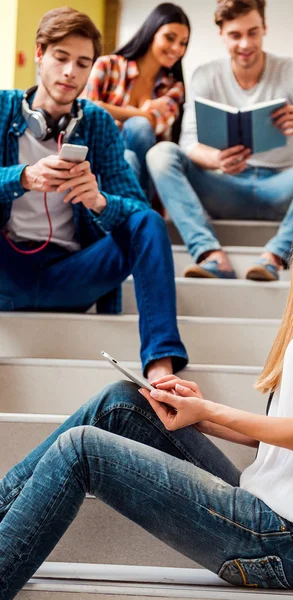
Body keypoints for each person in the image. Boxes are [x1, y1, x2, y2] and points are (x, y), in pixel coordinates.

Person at [1, 139, 293, 597]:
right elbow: (285, 435)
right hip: (265, 506)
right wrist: (200, 414)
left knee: (82, 449)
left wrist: (211, 409)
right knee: (123, 401)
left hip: (287, 539)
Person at [0, 7, 188, 381]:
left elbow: (135, 207)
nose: (71, 72)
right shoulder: (3, 108)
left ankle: (161, 367)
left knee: (148, 221)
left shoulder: (97, 122)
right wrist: (22, 177)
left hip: (72, 275)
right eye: (61, 58)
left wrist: (98, 200)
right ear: (39, 54)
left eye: (83, 63)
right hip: (8, 270)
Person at [146, 0, 293, 280]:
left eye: (253, 32)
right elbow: (188, 142)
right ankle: (211, 255)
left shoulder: (291, 71)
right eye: (235, 35)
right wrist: (216, 160)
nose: (246, 43)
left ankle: (275, 255)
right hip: (226, 188)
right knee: (160, 153)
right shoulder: (206, 75)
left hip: (283, 187)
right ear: (222, 35)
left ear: (264, 28)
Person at [82, 3, 190, 194]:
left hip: (146, 177)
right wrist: (142, 111)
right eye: (169, 38)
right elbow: (88, 113)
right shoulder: (108, 66)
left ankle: (137, 205)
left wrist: (109, 110)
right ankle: (137, 210)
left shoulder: (174, 87)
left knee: (138, 133)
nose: (176, 48)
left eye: (183, 43)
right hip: (101, 162)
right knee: (128, 156)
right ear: (152, 33)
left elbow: (156, 124)